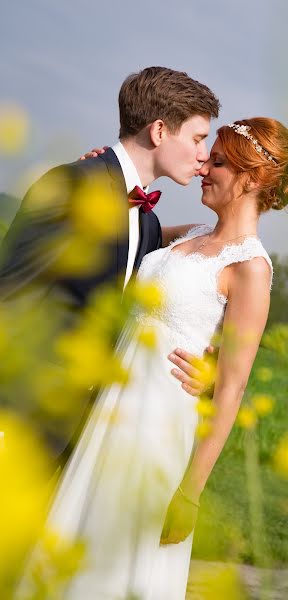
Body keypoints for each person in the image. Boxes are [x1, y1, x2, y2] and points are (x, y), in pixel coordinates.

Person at [21, 117, 288, 599]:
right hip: (108, 415)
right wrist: (100, 179)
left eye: (217, 162)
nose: (203, 169)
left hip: (156, 430)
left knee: (114, 566)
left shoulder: (251, 268)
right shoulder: (190, 233)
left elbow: (232, 388)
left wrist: (190, 493)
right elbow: (129, 230)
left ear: (251, 179)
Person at [0, 66, 221, 463]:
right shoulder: (74, 185)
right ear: (158, 132)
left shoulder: (148, 222)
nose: (204, 155)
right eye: (198, 138)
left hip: (80, 432)